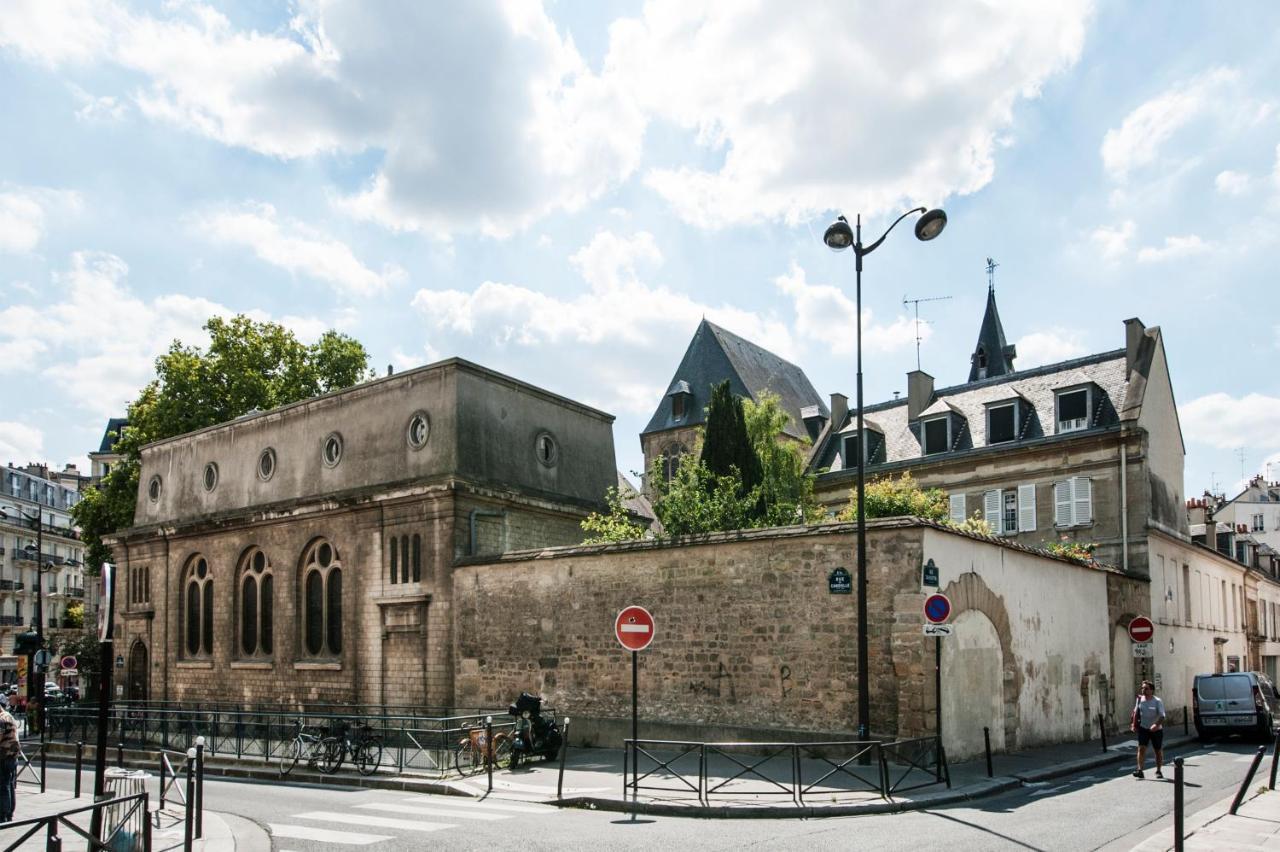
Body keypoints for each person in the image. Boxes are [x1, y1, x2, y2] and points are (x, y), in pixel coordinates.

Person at [1131, 680, 1166, 779]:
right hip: (1143, 728)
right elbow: (1135, 712)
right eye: (1142, 688)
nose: (1143, 690)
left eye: (1146, 688)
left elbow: (1162, 716)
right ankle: (1140, 770)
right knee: (1141, 748)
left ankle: (1158, 770)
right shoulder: (1139, 699)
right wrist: (1134, 724)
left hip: (1156, 730)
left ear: (1151, 690)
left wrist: (1156, 725)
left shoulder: (1157, 701)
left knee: (1157, 750)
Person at [0, 694, 18, 822]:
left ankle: (3, 815)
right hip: (11, 756)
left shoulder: (1, 719)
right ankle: (9, 813)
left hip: (4, 757)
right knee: (9, 784)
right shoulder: (8, 715)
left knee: (3, 786)